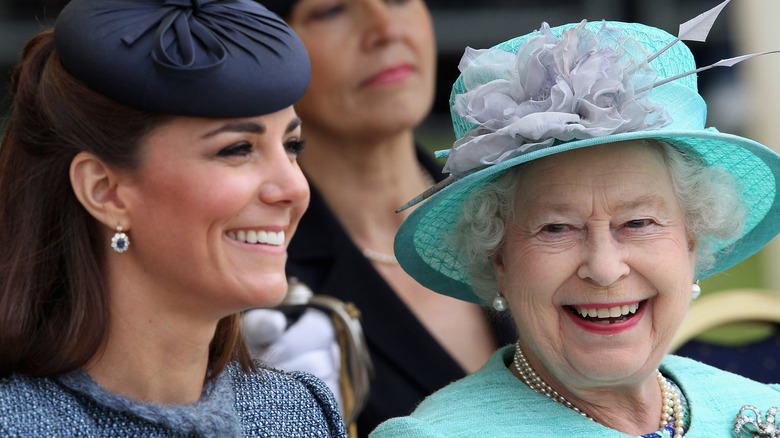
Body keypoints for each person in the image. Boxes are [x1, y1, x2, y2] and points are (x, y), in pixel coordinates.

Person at [371, 4, 780, 438]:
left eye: (638, 222)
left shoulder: (765, 408)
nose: (604, 269)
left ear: (692, 239)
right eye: (556, 228)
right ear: (499, 259)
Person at [0, 0, 346, 436]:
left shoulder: (296, 414)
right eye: (237, 149)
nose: (294, 189)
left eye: (292, 146)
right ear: (104, 191)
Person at [242, 0, 517, 436]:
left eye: (397, 0)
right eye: (331, 10)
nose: (385, 29)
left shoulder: (529, 203)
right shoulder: (257, 287)